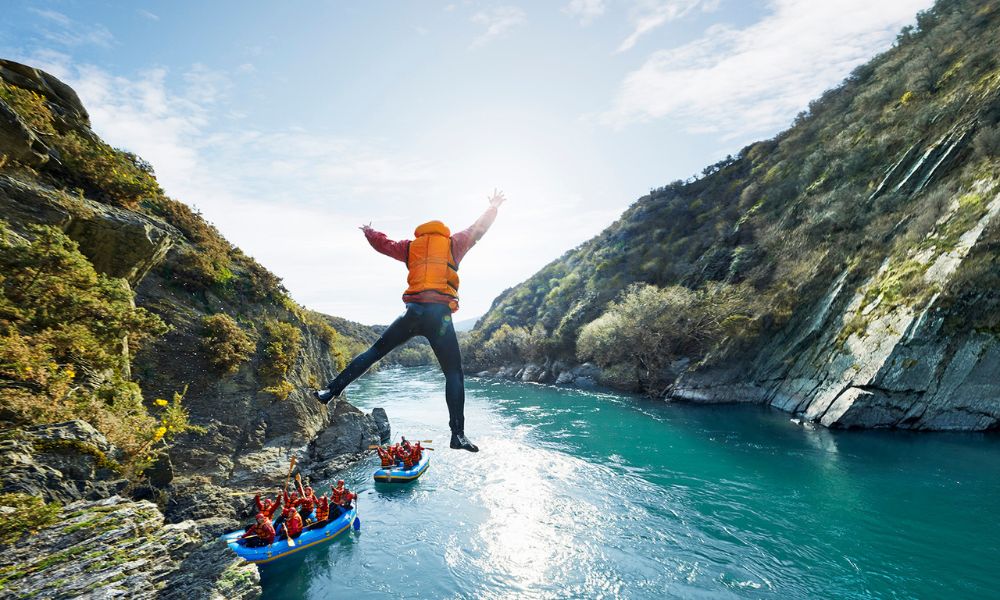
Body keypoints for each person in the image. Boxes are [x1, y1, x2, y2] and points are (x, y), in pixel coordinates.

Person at [313, 190, 509, 452]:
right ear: (442, 231)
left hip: (413, 312)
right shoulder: (454, 243)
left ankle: (330, 391)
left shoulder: (411, 246)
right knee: (453, 373)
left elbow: (384, 244)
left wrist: (369, 232)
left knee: (374, 352)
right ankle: (457, 435)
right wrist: (493, 207)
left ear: (422, 233)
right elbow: (479, 228)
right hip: (439, 317)